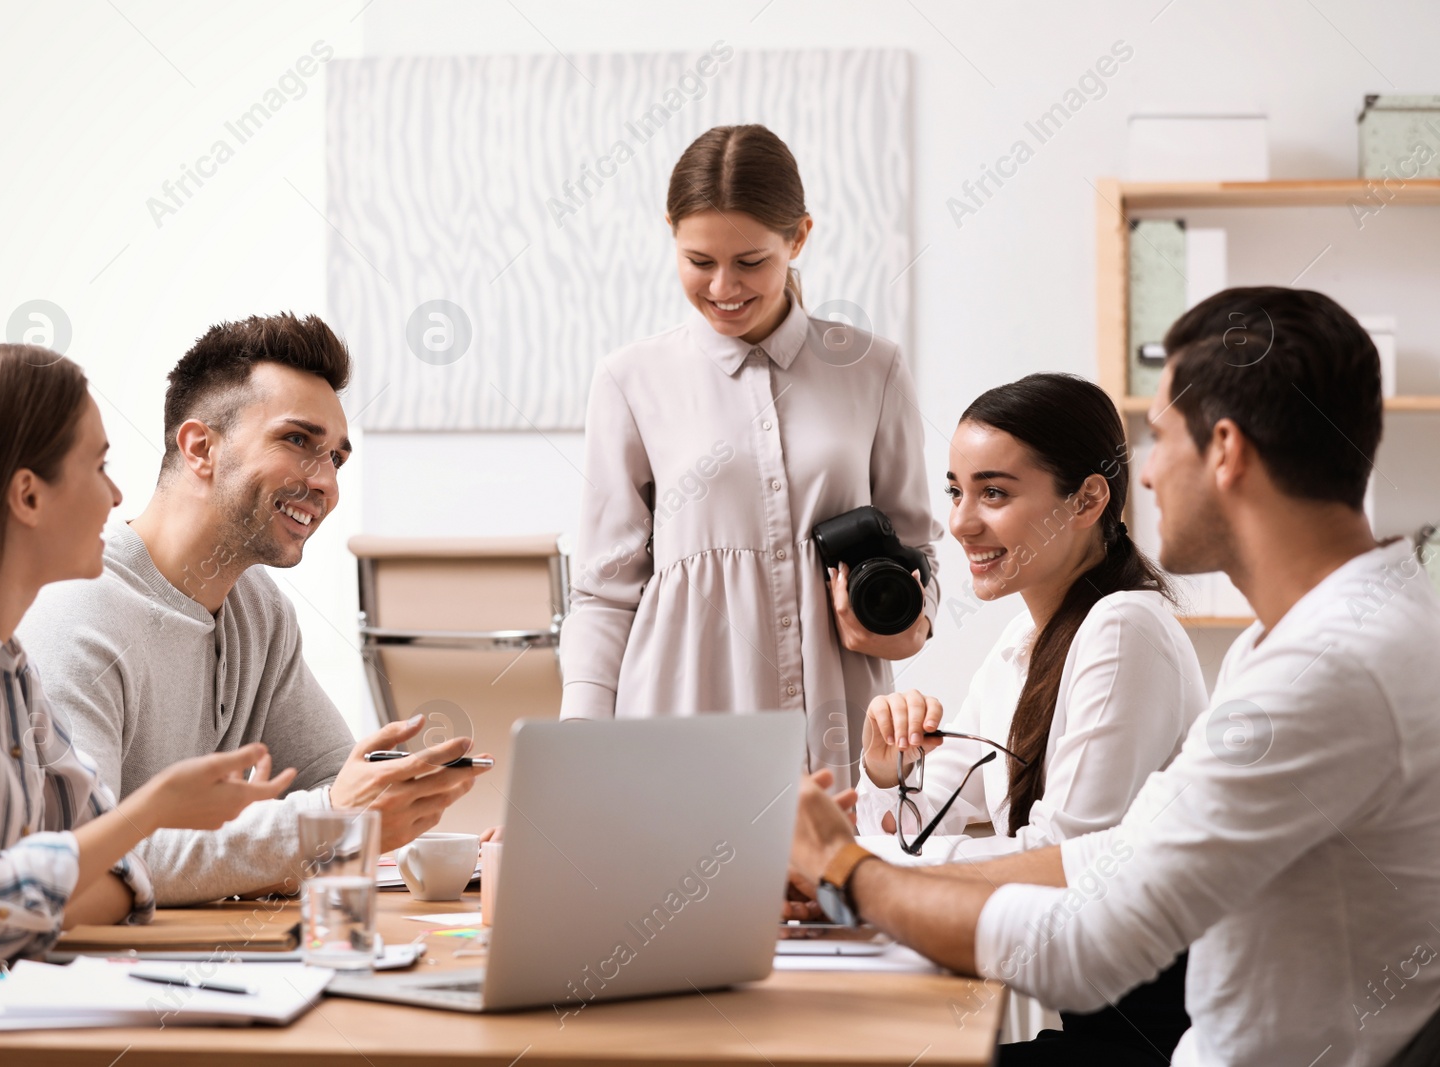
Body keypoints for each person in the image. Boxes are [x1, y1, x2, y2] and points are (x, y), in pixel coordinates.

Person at [787, 287, 1440, 1066]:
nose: (1151, 474)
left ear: (1226, 450)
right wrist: (868, 862)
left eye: (1160, 438)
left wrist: (848, 872)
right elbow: (1110, 856)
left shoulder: (1324, 667)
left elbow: (1085, 945)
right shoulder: (1308, 636)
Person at [0, 344, 292, 1000]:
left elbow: (123, 875)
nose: (116, 494)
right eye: (99, 464)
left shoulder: (8, 668)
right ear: (27, 493)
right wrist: (150, 811)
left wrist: (35, 890)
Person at [18, 313, 489, 906]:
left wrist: (443, 845)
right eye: (297, 441)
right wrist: (329, 823)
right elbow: (84, 857)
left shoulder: (258, 611)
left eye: (337, 459)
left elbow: (331, 787)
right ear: (200, 447)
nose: (326, 484)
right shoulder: (77, 615)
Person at [558, 124, 942, 781]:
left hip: (837, 720)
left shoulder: (873, 369)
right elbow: (604, 590)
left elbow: (919, 553)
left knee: (833, 880)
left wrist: (910, 621)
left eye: (751, 261)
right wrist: (576, 753)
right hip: (676, 719)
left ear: (798, 237)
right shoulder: (631, 379)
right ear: (671, 235)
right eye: (699, 260)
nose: (723, 286)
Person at [853, 373, 1204, 864]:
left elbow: (1061, 856)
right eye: (956, 492)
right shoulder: (1021, 641)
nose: (960, 523)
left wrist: (855, 869)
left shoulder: (1125, 627)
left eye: (993, 493)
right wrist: (887, 768)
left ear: (1086, 500)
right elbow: (912, 831)